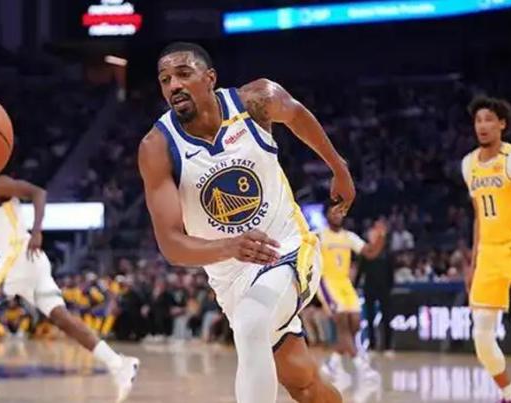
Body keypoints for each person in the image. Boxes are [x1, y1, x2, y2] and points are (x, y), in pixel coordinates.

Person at [138, 42, 355, 403]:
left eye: (183, 74)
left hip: (287, 247)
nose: (174, 85)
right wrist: (230, 247)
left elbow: (296, 115)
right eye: (165, 80)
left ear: (210, 78)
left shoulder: (255, 101)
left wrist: (338, 167)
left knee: (251, 324)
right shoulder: (157, 147)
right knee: (303, 384)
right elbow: (171, 245)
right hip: (231, 280)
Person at [0, 175, 139, 402]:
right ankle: (119, 364)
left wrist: (37, 231)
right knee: (63, 319)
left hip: (18, 256)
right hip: (27, 262)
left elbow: (38, 192)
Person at [462, 95, 511, 403]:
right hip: (488, 254)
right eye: (478, 120)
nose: (483, 125)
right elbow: (478, 216)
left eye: (489, 120)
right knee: (481, 336)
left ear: (502, 124)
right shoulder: (468, 164)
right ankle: (510, 395)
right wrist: (474, 262)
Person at [316, 203, 386, 389]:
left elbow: (370, 253)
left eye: (340, 213)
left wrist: (381, 237)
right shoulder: (319, 235)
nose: (337, 215)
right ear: (327, 216)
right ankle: (362, 367)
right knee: (342, 325)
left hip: (345, 284)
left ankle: (332, 363)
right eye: (334, 212)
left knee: (355, 324)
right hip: (327, 283)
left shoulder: (349, 237)